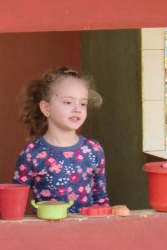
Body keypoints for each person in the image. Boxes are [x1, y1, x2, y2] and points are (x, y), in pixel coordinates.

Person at [13, 67, 109, 214]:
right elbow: (14, 202)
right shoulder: (32, 153)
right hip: (47, 228)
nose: (77, 109)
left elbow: (101, 200)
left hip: (86, 228)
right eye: (68, 102)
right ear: (46, 108)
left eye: (83, 103)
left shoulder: (93, 150)